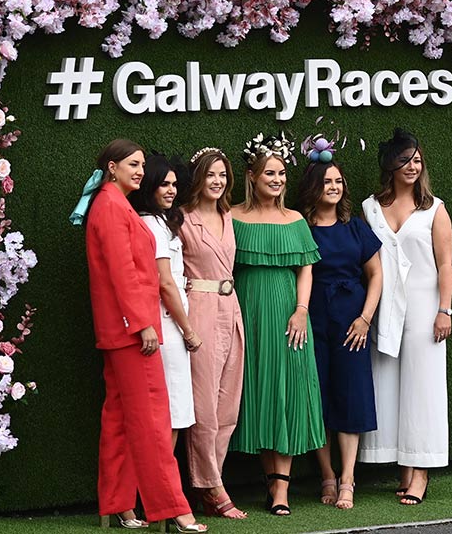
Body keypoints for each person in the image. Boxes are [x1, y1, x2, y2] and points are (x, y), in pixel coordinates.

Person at [73, 139, 206, 532]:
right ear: (111, 168)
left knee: (118, 420)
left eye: (141, 164)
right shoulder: (111, 206)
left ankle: (115, 505)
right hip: (131, 332)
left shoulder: (112, 204)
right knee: (152, 420)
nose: (139, 171)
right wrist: (142, 323)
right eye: (132, 164)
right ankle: (172, 510)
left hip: (121, 330)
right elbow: (122, 271)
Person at [229, 134, 324, 516]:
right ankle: (270, 483)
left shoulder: (295, 219)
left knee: (284, 392)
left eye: (282, 172)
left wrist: (301, 310)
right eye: (270, 172)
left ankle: (281, 489)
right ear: (252, 175)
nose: (278, 179)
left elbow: (306, 269)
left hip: (289, 315)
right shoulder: (232, 217)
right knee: (259, 391)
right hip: (246, 313)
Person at [359, 128, 452, 506]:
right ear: (391, 165)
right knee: (388, 387)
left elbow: (445, 264)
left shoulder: (435, 208)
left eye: (417, 160)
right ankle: (403, 467)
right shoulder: (370, 208)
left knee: (423, 389)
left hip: (425, 306)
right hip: (385, 307)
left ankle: (421, 473)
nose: (413, 166)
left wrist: (444, 309)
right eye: (405, 160)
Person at [297, 154, 383, 510]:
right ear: (313, 188)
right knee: (317, 397)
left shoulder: (355, 227)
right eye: (326, 182)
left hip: (352, 323)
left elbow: (376, 275)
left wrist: (365, 318)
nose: (333, 188)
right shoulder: (299, 226)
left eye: (338, 181)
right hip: (313, 320)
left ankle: (347, 478)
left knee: (350, 395)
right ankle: (327, 475)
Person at [179, 147, 247, 519]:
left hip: (231, 308)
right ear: (198, 179)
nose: (218, 181)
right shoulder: (184, 219)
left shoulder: (228, 216)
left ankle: (210, 480)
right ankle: (212, 487)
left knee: (228, 406)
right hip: (199, 307)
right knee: (203, 405)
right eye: (210, 175)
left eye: (222, 174)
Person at [129, 154, 202, 449]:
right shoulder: (152, 225)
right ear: (150, 188)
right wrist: (189, 331)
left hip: (168, 325)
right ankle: (159, 488)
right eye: (163, 185)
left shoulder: (158, 222)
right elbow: (165, 283)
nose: (171, 190)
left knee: (172, 412)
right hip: (168, 327)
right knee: (172, 412)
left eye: (174, 184)